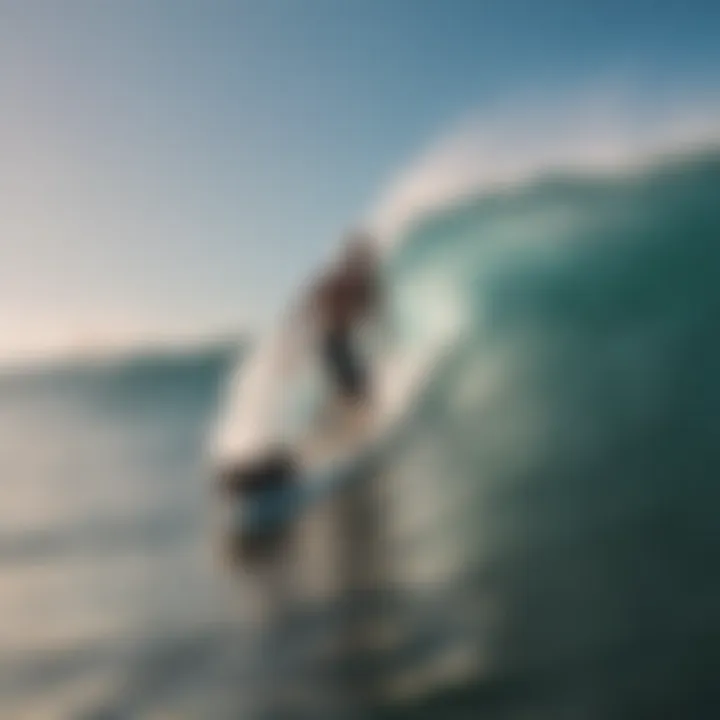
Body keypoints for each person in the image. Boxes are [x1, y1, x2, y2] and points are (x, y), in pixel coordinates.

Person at [309, 231, 380, 407]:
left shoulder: (363, 283)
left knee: (359, 387)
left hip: (342, 339)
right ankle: (337, 421)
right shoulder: (342, 280)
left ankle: (346, 419)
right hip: (332, 340)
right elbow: (317, 301)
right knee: (352, 388)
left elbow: (371, 309)